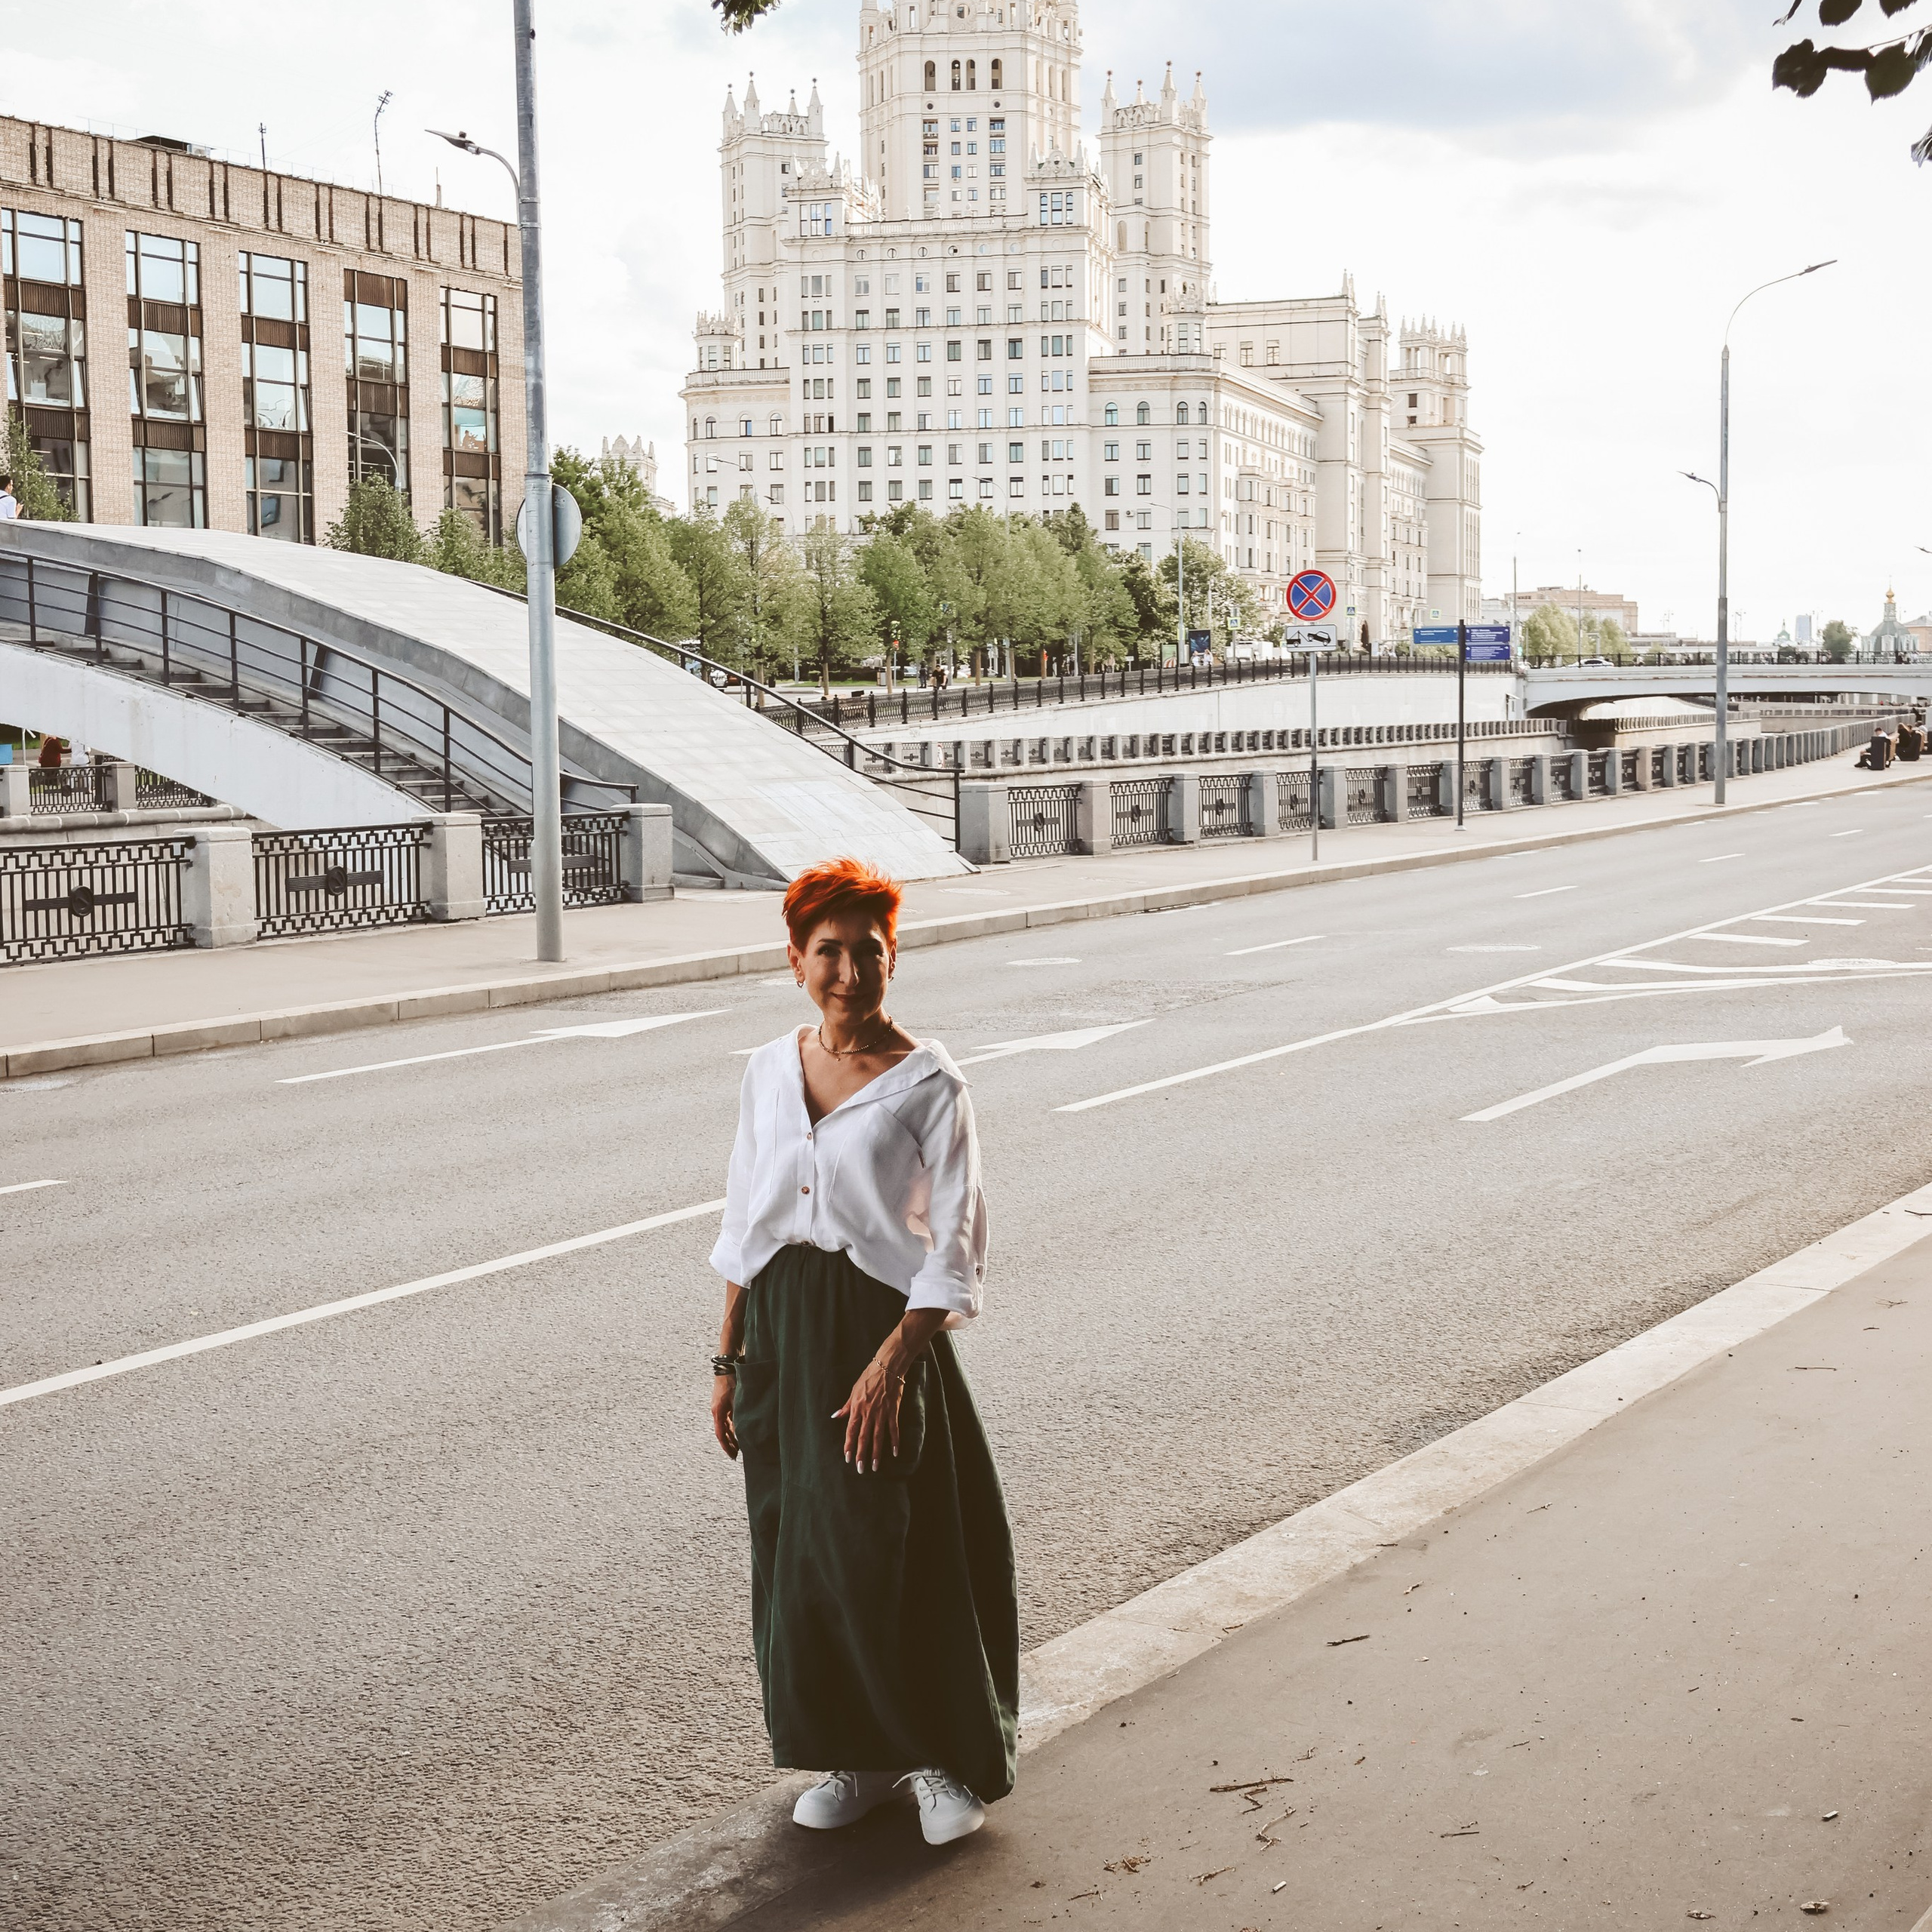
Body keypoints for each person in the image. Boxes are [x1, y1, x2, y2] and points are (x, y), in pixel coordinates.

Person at [709, 856, 1017, 1847]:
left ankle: (940, 1757)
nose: (847, 971)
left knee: (895, 1545)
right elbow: (743, 1224)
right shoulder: (767, 1069)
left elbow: (959, 1244)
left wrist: (894, 1363)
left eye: (867, 951)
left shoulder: (929, 1083)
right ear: (795, 958)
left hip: (884, 1329)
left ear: (896, 956)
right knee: (801, 1554)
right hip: (780, 1334)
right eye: (827, 951)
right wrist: (726, 1360)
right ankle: (859, 1752)